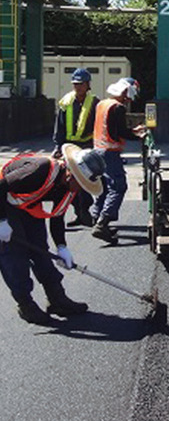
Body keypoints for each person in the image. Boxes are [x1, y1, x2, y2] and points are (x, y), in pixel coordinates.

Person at [0, 144, 106, 325]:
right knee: (15, 255)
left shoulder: (68, 188)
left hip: (26, 207)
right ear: (70, 173)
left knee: (40, 250)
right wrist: (2, 222)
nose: (80, 189)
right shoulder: (39, 169)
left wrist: (62, 247)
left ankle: (57, 300)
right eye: (80, 183)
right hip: (3, 203)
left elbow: (57, 216)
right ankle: (26, 306)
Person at [91, 78, 146, 243]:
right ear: (126, 91)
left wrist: (131, 131)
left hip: (97, 150)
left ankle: (96, 217)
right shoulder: (118, 107)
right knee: (118, 186)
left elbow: (109, 128)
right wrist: (137, 134)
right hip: (110, 152)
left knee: (103, 187)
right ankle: (103, 223)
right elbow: (119, 132)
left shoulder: (102, 104)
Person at [52, 67, 99, 227]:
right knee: (68, 182)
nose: (77, 87)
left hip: (86, 147)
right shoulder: (66, 102)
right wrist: (58, 146)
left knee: (85, 180)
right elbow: (59, 126)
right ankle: (79, 213)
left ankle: (85, 211)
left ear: (87, 84)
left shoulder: (95, 103)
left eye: (81, 84)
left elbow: (98, 126)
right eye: (75, 84)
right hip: (68, 148)